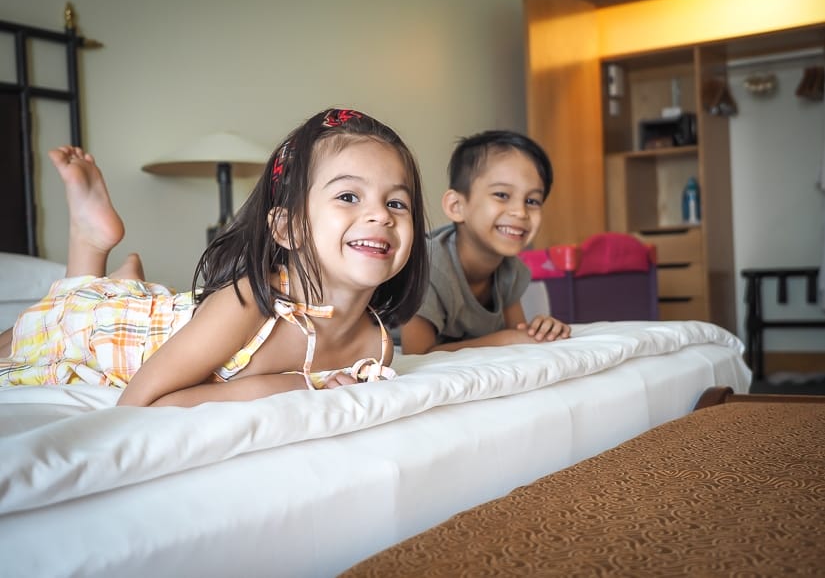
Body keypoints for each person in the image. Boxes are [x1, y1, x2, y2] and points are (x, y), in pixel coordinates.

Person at [0, 108, 429, 406]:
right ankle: (93, 248)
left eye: (397, 204)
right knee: (35, 330)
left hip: (176, 319)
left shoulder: (376, 345)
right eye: (349, 196)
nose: (379, 215)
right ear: (287, 228)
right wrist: (282, 388)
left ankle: (115, 274)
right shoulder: (250, 302)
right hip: (113, 332)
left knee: (88, 298)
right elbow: (140, 401)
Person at [400, 130, 570, 354]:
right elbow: (418, 353)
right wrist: (506, 339)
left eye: (532, 200)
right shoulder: (428, 267)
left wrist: (542, 331)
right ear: (456, 206)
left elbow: (517, 335)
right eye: (501, 195)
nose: (520, 212)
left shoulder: (511, 270)